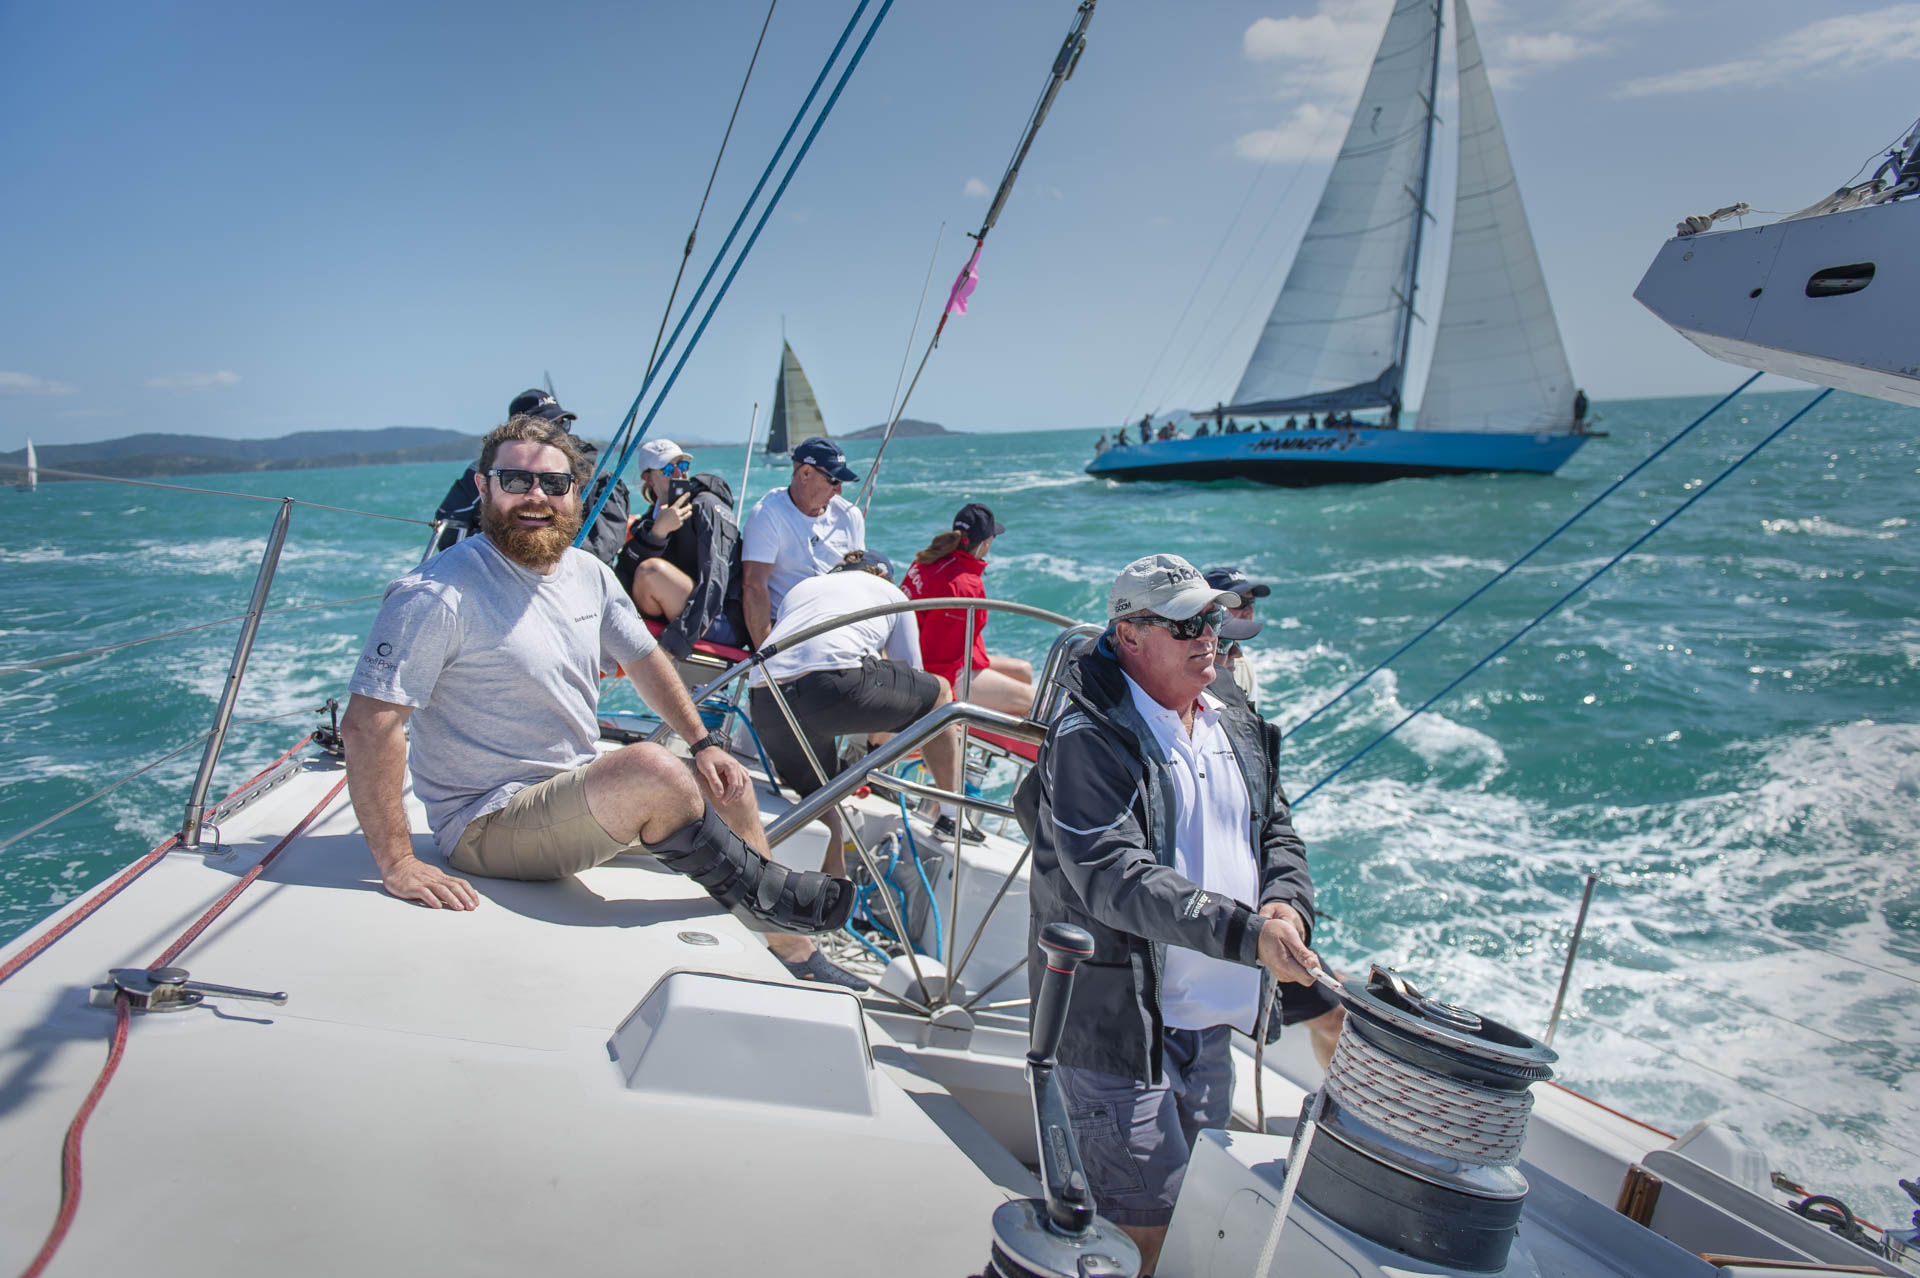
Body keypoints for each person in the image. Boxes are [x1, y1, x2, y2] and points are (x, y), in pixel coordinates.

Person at [341, 413, 852, 943]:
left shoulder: (588, 574)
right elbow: (368, 726)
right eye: (516, 481)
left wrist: (704, 744)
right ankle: (775, 898)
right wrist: (398, 861)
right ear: (483, 486)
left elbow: (645, 659)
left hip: (569, 788)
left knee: (730, 784)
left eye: (554, 484)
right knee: (653, 767)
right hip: (486, 822)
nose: (535, 496)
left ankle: (787, 949)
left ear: (576, 493)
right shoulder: (437, 594)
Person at [1014, 553, 1320, 1274]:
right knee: (1139, 1230)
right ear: (1130, 634)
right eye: (1185, 623)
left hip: (1208, 1020)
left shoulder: (1234, 716)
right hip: (1117, 1027)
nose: (1207, 635)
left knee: (1183, 1211)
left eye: (1210, 618)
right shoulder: (1090, 738)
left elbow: (1275, 829)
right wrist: (1246, 932)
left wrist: (1285, 899)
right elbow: (1111, 876)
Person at [749, 550, 969, 849]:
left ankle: (832, 877)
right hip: (831, 688)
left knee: (823, 796)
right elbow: (917, 682)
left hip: (765, 700)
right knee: (940, 692)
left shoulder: (804, 588)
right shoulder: (890, 592)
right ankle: (952, 817)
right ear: (880, 574)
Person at [432, 388, 630, 566]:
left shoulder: (603, 481)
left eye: (562, 424)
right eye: (515, 481)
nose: (537, 494)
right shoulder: (489, 471)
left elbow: (605, 545)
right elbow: (450, 524)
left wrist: (549, 563)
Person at [614, 437, 749, 657]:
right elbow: (622, 579)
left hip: (720, 619)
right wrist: (658, 534)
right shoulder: (649, 522)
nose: (680, 474)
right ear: (647, 477)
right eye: (668, 469)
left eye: (683, 465)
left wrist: (675, 641)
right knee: (642, 573)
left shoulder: (706, 504)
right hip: (686, 613)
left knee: (652, 572)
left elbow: (716, 575)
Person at [901, 502, 1035, 718]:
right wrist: (942, 704)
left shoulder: (927, 560)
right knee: (1037, 701)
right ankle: (963, 739)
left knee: (1024, 671)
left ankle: (985, 740)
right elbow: (941, 654)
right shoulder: (964, 586)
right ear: (985, 543)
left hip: (916, 656)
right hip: (935, 671)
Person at [741, 437, 864, 647]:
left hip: (841, 627)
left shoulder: (850, 515)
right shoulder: (767, 514)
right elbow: (754, 586)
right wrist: (767, 656)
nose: (839, 490)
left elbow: (859, 582)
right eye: (833, 480)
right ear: (805, 473)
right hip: (792, 629)